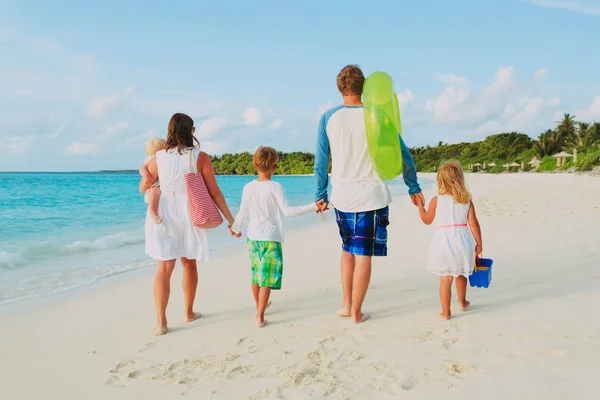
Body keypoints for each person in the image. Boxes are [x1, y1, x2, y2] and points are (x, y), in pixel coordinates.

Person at [314, 64, 424, 324]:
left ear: (340, 87)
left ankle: (346, 304)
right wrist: (413, 187)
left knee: (346, 250)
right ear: (364, 87)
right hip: (371, 196)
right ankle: (356, 312)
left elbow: (321, 161)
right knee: (363, 255)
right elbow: (403, 155)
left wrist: (320, 193)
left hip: (341, 196)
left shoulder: (328, 117)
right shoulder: (378, 115)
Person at [139, 113, 237, 335]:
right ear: (192, 131)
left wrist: (149, 176)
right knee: (189, 263)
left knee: (164, 268)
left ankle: (161, 322)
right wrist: (231, 220)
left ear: (170, 132)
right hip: (189, 213)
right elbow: (214, 192)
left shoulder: (159, 157)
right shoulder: (200, 157)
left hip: (163, 214)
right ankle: (188, 312)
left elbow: (145, 187)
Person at [230, 146, 323, 328]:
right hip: (271, 238)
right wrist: (314, 206)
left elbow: (242, 213)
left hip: (253, 238)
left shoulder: (248, 187)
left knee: (256, 275)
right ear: (275, 166)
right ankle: (259, 316)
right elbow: (288, 212)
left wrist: (236, 228)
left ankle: (259, 307)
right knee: (267, 278)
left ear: (255, 165)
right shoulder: (275, 187)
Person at [415, 161, 483, 320]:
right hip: (462, 241)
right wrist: (479, 243)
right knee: (461, 273)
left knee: (445, 279)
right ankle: (462, 302)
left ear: (440, 181)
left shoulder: (436, 200)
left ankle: (446, 312)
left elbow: (426, 220)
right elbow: (473, 224)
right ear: (460, 179)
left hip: (443, 242)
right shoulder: (466, 200)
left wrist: (420, 205)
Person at [140, 138, 167, 224]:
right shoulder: (152, 159)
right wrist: (146, 175)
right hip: (154, 184)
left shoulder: (164, 157)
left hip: (162, 183)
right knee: (153, 195)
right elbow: (142, 168)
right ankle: (154, 214)